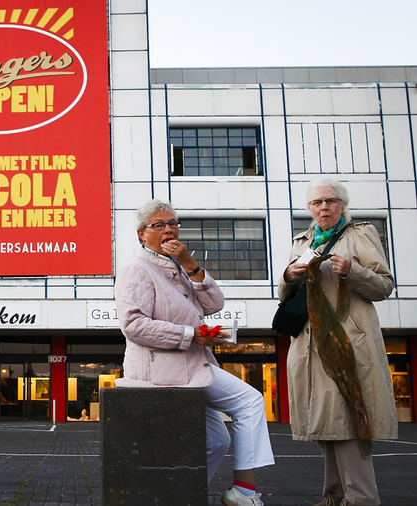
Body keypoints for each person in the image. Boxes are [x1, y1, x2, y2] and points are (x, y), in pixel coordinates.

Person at [115, 199, 274, 506]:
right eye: (158, 225)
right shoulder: (136, 270)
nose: (168, 229)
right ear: (141, 234)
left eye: (173, 223)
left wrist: (190, 264)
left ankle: (180, 496)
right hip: (165, 368)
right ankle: (243, 491)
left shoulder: (179, 266)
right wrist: (191, 334)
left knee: (217, 440)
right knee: (251, 401)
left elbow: (215, 305)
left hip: (192, 366)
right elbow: (133, 325)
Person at [279, 178, 397, 506]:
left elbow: (384, 286)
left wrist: (352, 270)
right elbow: (284, 292)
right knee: (326, 424)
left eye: (330, 201)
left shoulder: (360, 234)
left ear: (342, 205)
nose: (324, 208)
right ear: (310, 209)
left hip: (348, 343)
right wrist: (290, 276)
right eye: (317, 203)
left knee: (347, 422)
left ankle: (361, 498)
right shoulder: (302, 240)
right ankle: (334, 496)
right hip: (310, 345)